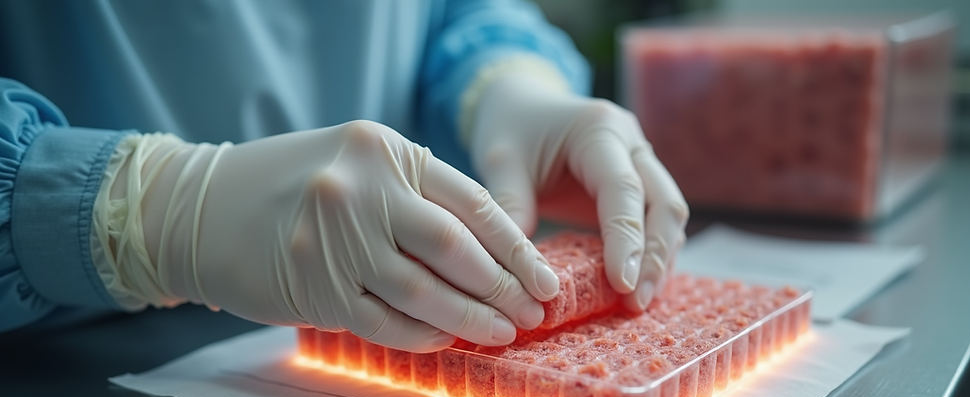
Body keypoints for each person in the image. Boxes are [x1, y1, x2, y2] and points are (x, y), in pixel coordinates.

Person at [0, 0, 688, 351]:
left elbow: (453, 10)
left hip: (384, 316)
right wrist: (150, 210)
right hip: (64, 376)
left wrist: (507, 83)